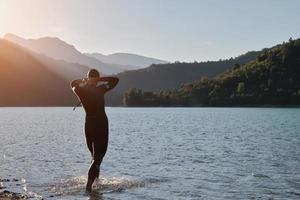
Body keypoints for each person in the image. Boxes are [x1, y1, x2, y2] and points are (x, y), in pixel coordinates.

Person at [70, 69, 119, 192]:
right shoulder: (100, 89)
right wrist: (99, 79)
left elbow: (72, 83)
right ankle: (88, 188)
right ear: (96, 80)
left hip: (89, 124)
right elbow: (115, 80)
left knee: (94, 157)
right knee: (97, 158)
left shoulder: (80, 90)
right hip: (101, 124)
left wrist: (84, 80)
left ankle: (95, 184)